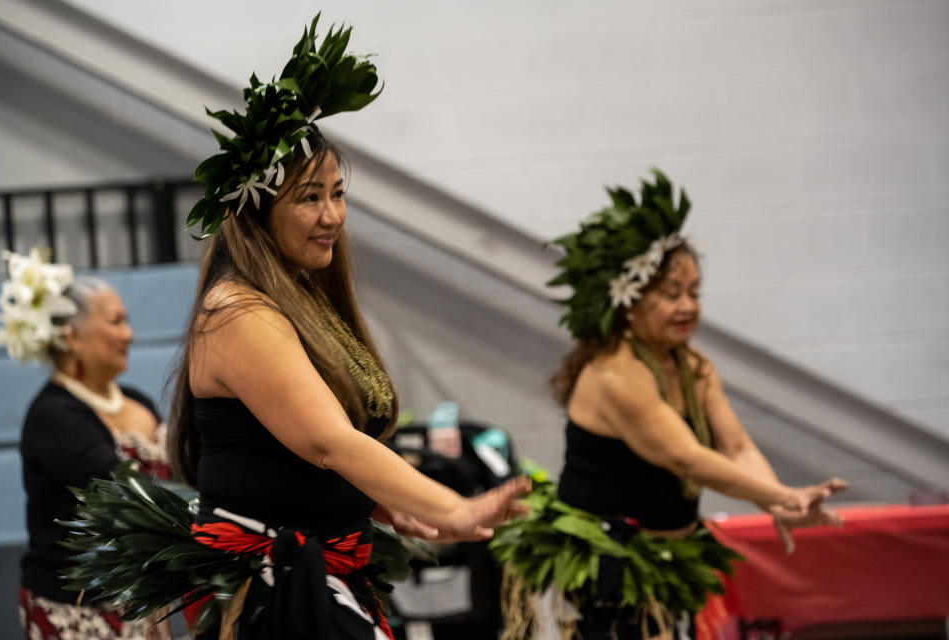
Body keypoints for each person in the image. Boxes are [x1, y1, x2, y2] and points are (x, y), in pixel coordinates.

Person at [166, 17, 528, 639]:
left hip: (326, 577)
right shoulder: (238, 313)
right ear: (258, 211)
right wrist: (452, 506)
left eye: (337, 193)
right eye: (310, 198)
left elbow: (294, 455)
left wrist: (385, 505)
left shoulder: (301, 299)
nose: (332, 215)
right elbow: (327, 443)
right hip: (277, 595)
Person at [498, 172, 847, 640]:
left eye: (694, 293)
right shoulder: (615, 375)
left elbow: (737, 446)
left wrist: (775, 496)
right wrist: (780, 497)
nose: (687, 306)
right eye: (671, 294)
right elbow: (686, 457)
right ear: (629, 300)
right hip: (605, 565)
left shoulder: (693, 367)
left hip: (667, 560)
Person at [0, 249, 169, 640]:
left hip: (138, 601)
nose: (129, 334)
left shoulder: (136, 398)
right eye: (116, 321)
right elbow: (126, 491)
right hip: (73, 612)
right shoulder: (52, 416)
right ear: (72, 336)